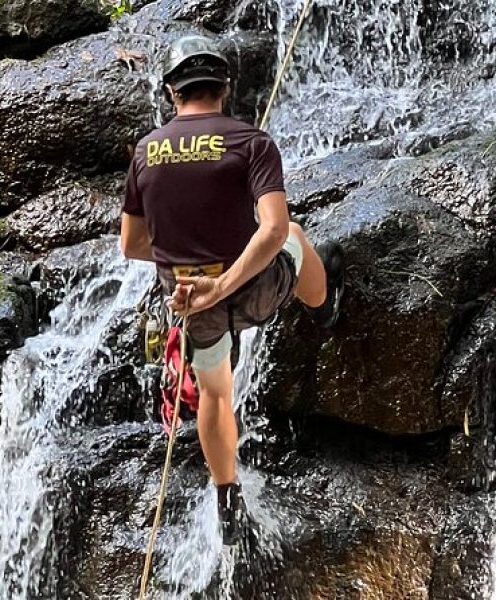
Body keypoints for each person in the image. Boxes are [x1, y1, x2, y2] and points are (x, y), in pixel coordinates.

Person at [120, 35, 344, 545]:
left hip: (190, 301)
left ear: (172, 93)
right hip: (251, 289)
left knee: (216, 394)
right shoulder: (251, 142)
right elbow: (271, 229)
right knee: (294, 235)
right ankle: (324, 306)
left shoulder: (144, 152)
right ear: (225, 88)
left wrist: (192, 266)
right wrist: (223, 279)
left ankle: (227, 497)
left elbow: (132, 244)